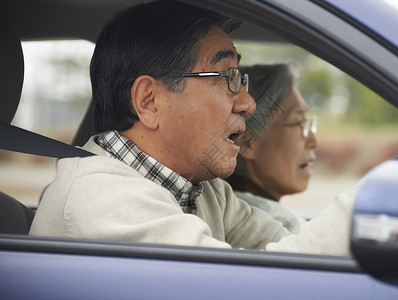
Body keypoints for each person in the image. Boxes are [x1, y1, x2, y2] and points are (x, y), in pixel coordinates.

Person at [29, 0, 358, 256]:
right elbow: (256, 288)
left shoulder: (205, 190)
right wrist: (365, 204)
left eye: (239, 77)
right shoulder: (103, 200)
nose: (248, 103)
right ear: (150, 102)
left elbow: (289, 252)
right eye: (227, 77)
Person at [227, 64, 317, 233]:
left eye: (309, 124)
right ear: (246, 143)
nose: (314, 141)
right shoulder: (282, 225)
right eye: (298, 123)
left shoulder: (225, 208)